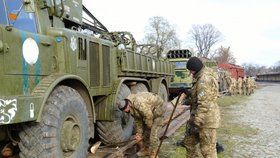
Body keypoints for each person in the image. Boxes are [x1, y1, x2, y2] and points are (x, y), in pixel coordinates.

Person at [183, 57, 221, 158]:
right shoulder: (201, 76)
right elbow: (200, 97)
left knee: (207, 150)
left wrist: (196, 124)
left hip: (206, 120)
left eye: (190, 71)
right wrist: (189, 94)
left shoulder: (203, 80)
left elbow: (204, 104)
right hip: (198, 116)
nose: (190, 73)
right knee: (189, 142)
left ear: (195, 69)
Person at [118, 92, 166, 158]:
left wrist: (151, 127)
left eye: (125, 109)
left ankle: (154, 153)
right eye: (123, 110)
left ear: (128, 104)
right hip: (149, 112)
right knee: (146, 132)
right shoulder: (131, 108)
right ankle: (147, 150)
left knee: (153, 134)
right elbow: (138, 120)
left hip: (158, 109)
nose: (125, 111)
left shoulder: (138, 103)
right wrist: (139, 133)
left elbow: (149, 116)